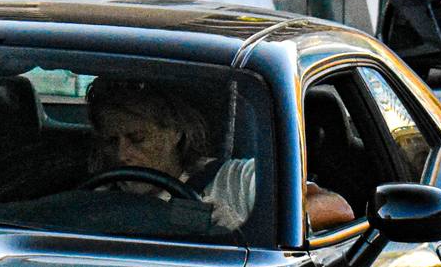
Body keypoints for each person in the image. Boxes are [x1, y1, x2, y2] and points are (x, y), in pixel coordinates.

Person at [85, 78, 352, 232]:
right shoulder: (98, 195)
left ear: (176, 131)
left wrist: (250, 227)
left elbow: (337, 206)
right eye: (111, 141)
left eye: (137, 139)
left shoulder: (237, 179)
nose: (122, 154)